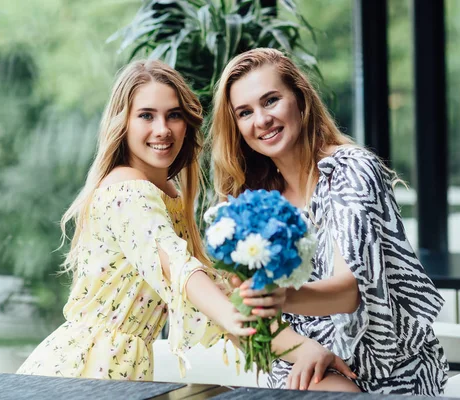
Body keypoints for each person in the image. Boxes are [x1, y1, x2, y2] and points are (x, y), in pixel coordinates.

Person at [16, 59, 286, 381]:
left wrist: (288, 352)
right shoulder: (129, 191)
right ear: (123, 123)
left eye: (174, 115)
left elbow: (206, 288)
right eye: (146, 115)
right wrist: (254, 330)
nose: (163, 129)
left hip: (119, 368)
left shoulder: (166, 193)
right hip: (87, 368)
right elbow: (180, 269)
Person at [209, 48, 448, 395]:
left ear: (300, 99)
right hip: (305, 366)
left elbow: (350, 291)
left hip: (388, 369)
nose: (261, 120)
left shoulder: (351, 170)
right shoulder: (249, 200)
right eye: (245, 112)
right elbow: (246, 313)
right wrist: (302, 349)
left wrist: (281, 297)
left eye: (271, 100)